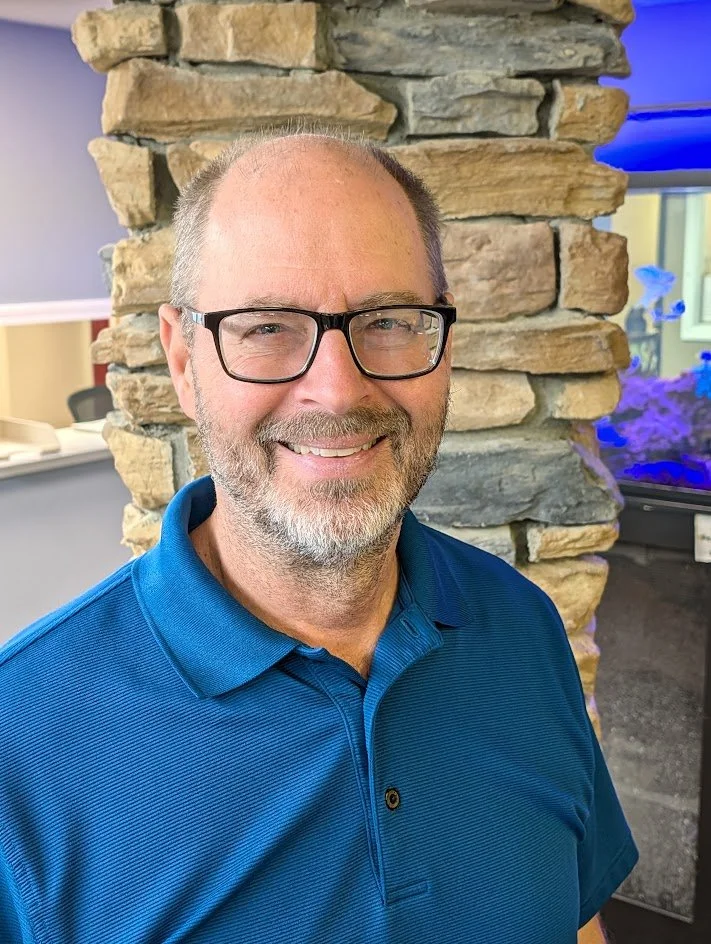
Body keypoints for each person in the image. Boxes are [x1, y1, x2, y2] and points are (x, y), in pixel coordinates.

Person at [0, 130, 637, 944]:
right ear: (183, 358)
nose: (336, 387)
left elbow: (573, 922)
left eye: (390, 320)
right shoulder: (23, 741)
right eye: (266, 327)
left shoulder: (521, 628)